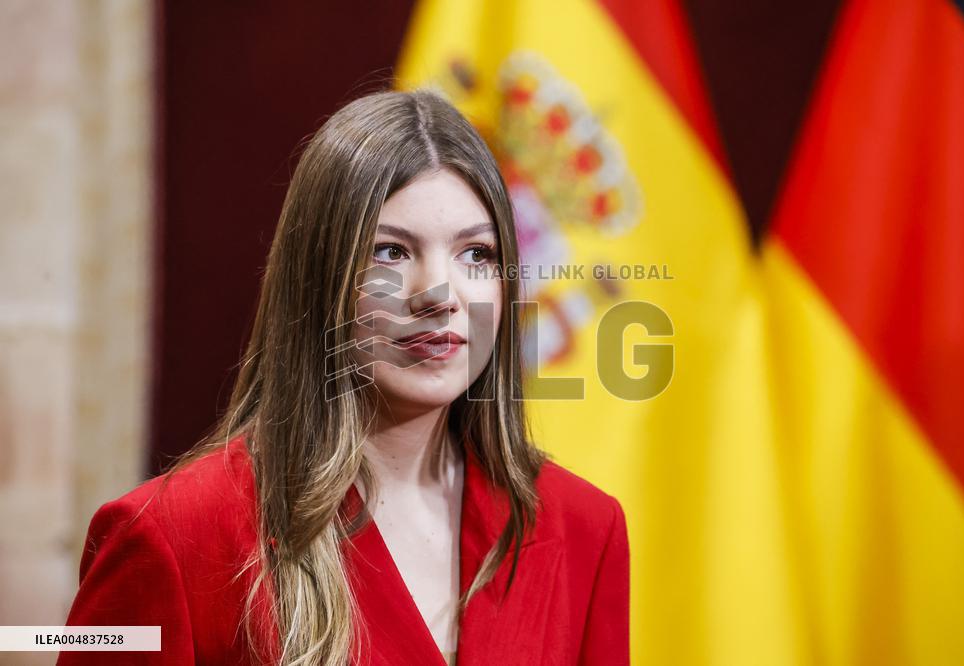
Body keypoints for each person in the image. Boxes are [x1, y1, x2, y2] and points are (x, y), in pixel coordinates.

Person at [58, 89, 629, 665]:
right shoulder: (175, 536)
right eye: (390, 252)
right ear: (318, 279)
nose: (440, 294)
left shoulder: (584, 528)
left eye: (476, 254)